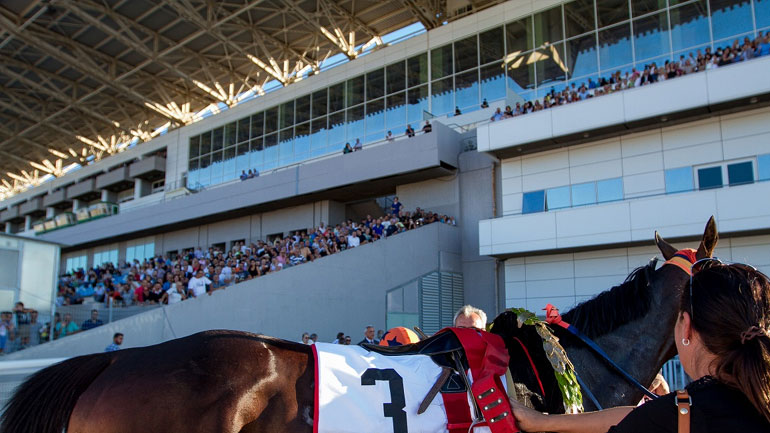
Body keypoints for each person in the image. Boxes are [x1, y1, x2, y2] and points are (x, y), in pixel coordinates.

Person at [509, 262, 770, 432]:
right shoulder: (755, 400)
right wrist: (547, 421)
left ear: (686, 327)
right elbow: (644, 415)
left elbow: (653, 418)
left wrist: (542, 422)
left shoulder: (682, 416)